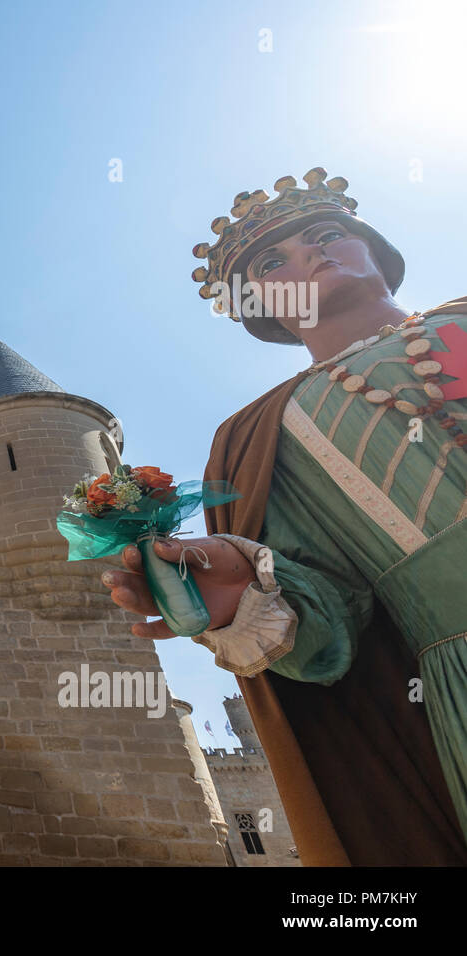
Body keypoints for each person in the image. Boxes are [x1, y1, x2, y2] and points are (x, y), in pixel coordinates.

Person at [102, 167, 467, 865]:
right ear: (259, 304)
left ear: (376, 249)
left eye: (327, 235)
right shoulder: (261, 434)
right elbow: (334, 623)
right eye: (275, 261)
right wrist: (244, 591)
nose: (310, 255)